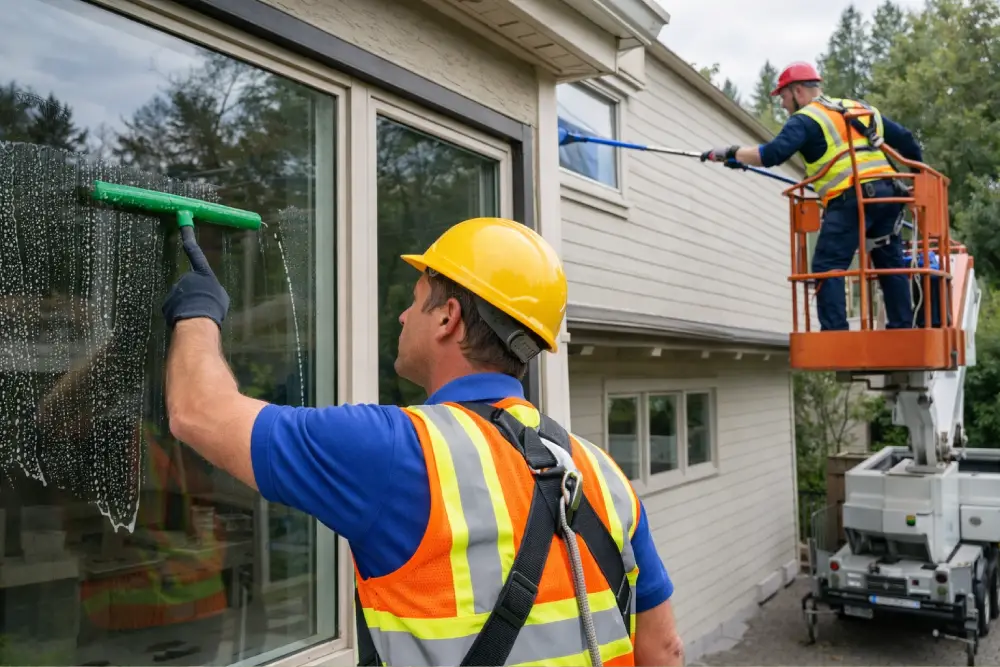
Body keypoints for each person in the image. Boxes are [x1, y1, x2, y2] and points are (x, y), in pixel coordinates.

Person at [160, 217, 684, 666]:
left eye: (414, 302)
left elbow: (198, 412)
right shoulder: (601, 472)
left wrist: (197, 311)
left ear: (448, 317)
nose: (403, 316)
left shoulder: (394, 451)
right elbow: (662, 651)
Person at [700, 61, 925, 332]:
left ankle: (835, 336)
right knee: (890, 263)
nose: (783, 104)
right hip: (889, 198)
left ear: (798, 91)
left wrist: (731, 152)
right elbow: (907, 140)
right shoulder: (858, 108)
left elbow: (771, 154)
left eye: (783, 96)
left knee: (828, 265)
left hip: (851, 199)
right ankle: (902, 329)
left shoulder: (806, 119)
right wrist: (919, 181)